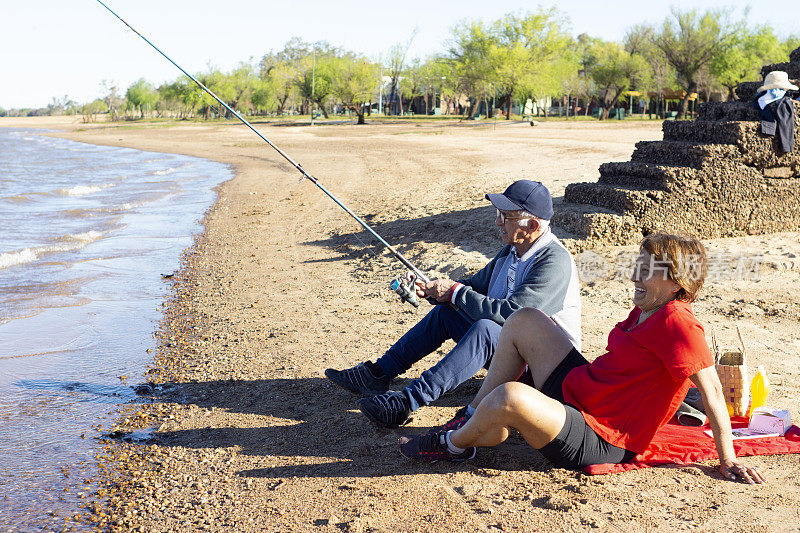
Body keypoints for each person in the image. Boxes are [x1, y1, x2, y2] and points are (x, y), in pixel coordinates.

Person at [398, 232, 766, 484]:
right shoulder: (648, 307)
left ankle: (455, 446)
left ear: (676, 283)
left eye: (648, 269)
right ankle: (472, 417)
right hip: (583, 392)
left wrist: (728, 458)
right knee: (524, 320)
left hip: (602, 436)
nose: (635, 274)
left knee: (510, 395)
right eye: (638, 263)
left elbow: (714, 392)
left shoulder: (679, 324)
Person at [325, 180, 581, 428]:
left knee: (487, 330)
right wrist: (434, 291)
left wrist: (455, 292)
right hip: (516, 355)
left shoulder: (553, 261)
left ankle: (406, 402)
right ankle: (377, 374)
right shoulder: (514, 248)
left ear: (532, 224)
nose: (497, 222)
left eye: (506, 217)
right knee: (447, 313)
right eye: (498, 214)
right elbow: (473, 286)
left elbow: (513, 315)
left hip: (546, 372)